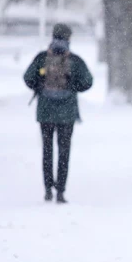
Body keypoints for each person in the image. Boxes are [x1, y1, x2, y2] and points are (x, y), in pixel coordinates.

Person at [23, 23, 93, 203]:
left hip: (45, 111)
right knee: (64, 151)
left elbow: (28, 77)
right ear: (69, 38)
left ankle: (48, 189)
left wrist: (40, 86)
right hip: (67, 113)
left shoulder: (41, 58)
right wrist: (73, 87)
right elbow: (88, 81)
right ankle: (61, 191)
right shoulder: (75, 61)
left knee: (47, 150)